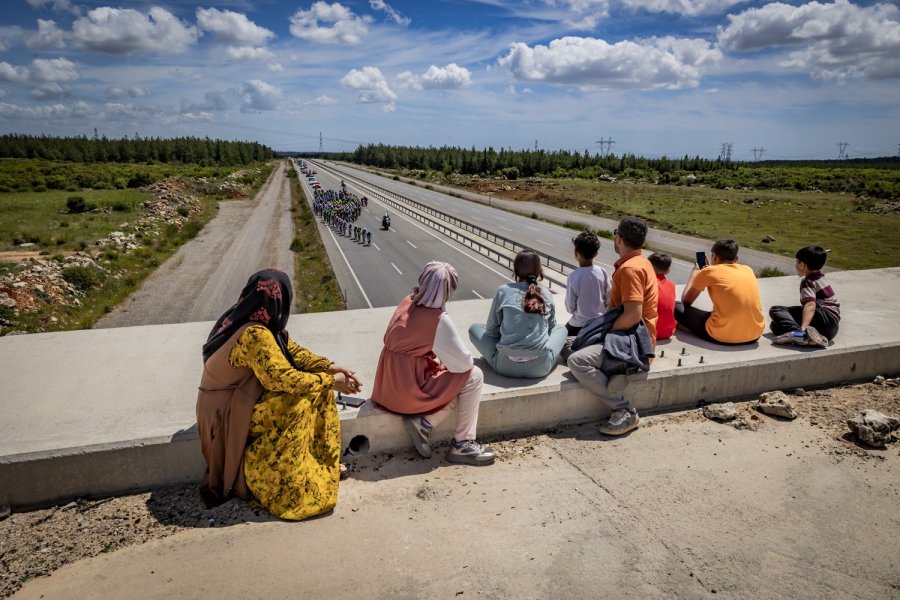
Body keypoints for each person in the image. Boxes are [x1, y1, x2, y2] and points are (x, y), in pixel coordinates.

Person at [196, 269, 362, 521]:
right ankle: (278, 482)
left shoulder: (246, 315)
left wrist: (329, 366)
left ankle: (309, 463)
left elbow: (291, 350)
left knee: (314, 388)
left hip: (229, 401)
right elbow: (285, 378)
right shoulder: (255, 334)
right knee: (302, 397)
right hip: (226, 412)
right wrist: (330, 381)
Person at [371, 261, 495, 466]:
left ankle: (426, 423)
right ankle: (462, 443)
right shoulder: (438, 319)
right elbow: (463, 364)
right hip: (407, 393)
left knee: (456, 385)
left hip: (386, 389)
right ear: (448, 291)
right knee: (474, 376)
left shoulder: (408, 301)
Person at [567, 216, 658, 436]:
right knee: (570, 344)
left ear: (619, 239)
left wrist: (603, 334)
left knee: (575, 360)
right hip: (632, 334)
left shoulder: (630, 270)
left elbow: (633, 315)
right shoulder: (642, 262)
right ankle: (612, 374)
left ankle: (624, 409)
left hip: (631, 340)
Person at [468, 251, 568, 378]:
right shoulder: (546, 293)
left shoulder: (503, 291)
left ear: (515, 270)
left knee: (474, 329)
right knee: (561, 329)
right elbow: (551, 329)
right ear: (539, 271)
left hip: (504, 366)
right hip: (540, 368)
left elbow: (491, 331)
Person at [675, 239, 764, 345]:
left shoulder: (708, 272)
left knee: (675, 307)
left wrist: (695, 273)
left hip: (721, 336)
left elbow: (686, 301)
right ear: (736, 258)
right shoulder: (748, 269)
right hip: (754, 335)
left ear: (714, 257)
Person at [770, 245, 839, 347]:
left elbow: (810, 304)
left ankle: (800, 334)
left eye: (797, 261)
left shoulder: (808, 281)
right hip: (832, 329)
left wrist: (803, 327)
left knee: (776, 310)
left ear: (802, 264)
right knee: (775, 326)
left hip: (823, 318)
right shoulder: (821, 278)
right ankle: (814, 338)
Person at [565, 232, 612, 337]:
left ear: (576, 252)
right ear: (596, 254)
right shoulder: (602, 271)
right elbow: (609, 298)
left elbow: (570, 306)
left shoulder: (573, 276)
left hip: (578, 325)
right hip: (599, 323)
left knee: (560, 335)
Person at [649, 252, 676, 341]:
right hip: (667, 332)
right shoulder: (671, 285)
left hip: (649, 332)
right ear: (668, 271)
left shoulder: (647, 283)